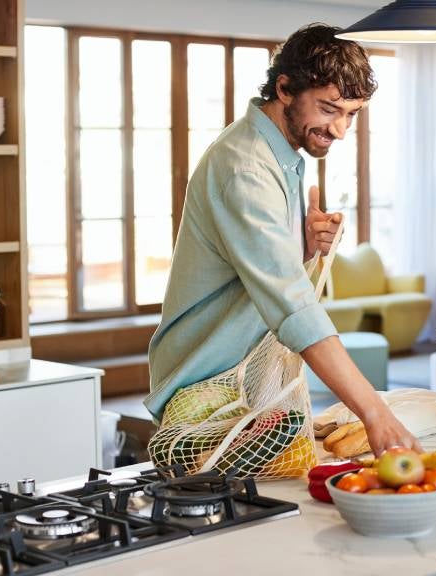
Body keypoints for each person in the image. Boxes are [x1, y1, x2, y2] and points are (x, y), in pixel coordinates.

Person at [145, 24, 419, 455]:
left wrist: (303, 246)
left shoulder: (282, 151)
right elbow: (293, 305)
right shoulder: (247, 167)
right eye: (330, 109)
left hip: (249, 385)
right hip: (205, 388)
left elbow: (259, 268)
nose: (341, 130)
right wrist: (376, 413)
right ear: (286, 88)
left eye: (352, 114)